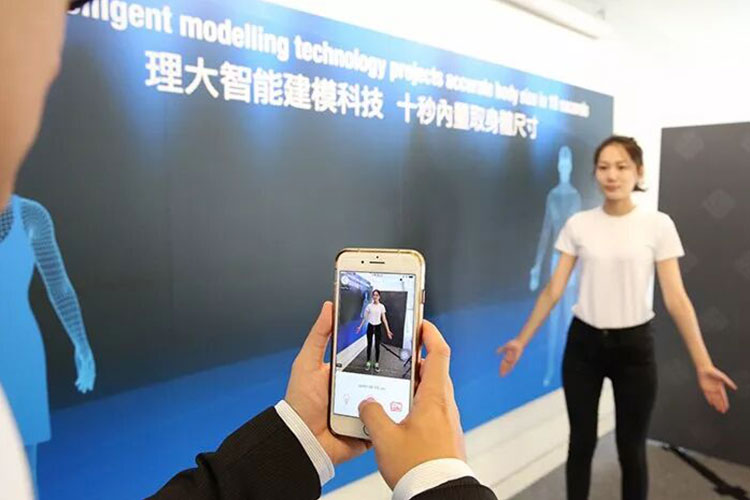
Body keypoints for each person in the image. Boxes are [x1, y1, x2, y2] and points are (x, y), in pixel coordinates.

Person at [1, 1, 497, 499]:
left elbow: (60, 287)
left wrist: (301, 439)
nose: (54, 56)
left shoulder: (32, 217)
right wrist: (437, 480)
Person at [497, 135, 739, 500]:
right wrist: (521, 340)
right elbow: (553, 290)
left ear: (638, 171)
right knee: (581, 444)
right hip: (584, 346)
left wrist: (703, 364)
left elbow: (677, 299)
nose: (612, 175)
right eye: (604, 167)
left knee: (631, 449)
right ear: (595, 173)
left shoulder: (658, 225)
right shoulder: (579, 224)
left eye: (622, 166)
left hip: (634, 349)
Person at [0, 194, 96, 490]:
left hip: (20, 352)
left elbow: (59, 286)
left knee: (22, 468)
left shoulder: (30, 215)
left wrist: (82, 345)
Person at [529, 145, 582, 386]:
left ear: (570, 166)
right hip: (555, 261)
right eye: (561, 162)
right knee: (552, 318)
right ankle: (551, 369)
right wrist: (536, 267)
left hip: (571, 262)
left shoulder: (575, 196)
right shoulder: (552, 196)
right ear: (559, 166)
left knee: (568, 319)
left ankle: (570, 369)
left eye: (567, 162)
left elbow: (579, 236)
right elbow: (545, 232)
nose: (564, 166)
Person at [356, 289, 394, 372]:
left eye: (376, 295)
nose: (375, 296)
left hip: (378, 327)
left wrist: (388, 330)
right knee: (369, 345)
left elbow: (384, 319)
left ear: (379, 296)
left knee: (377, 346)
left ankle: (376, 363)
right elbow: (365, 317)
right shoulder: (369, 306)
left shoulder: (381, 306)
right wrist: (360, 327)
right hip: (370, 326)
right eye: (374, 295)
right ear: (372, 296)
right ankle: (368, 362)